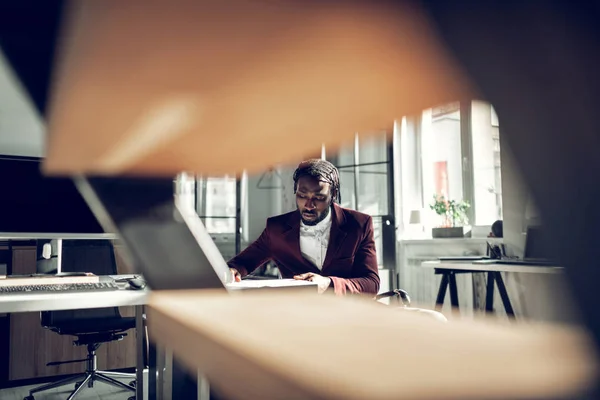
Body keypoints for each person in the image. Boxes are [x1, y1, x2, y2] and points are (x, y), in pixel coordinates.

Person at [228, 159, 380, 295]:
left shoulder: (359, 225)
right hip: (297, 315)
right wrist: (233, 271)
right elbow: (242, 263)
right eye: (302, 196)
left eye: (318, 198)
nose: (308, 205)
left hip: (347, 315)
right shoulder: (277, 229)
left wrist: (329, 284)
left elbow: (371, 283)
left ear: (333, 194)